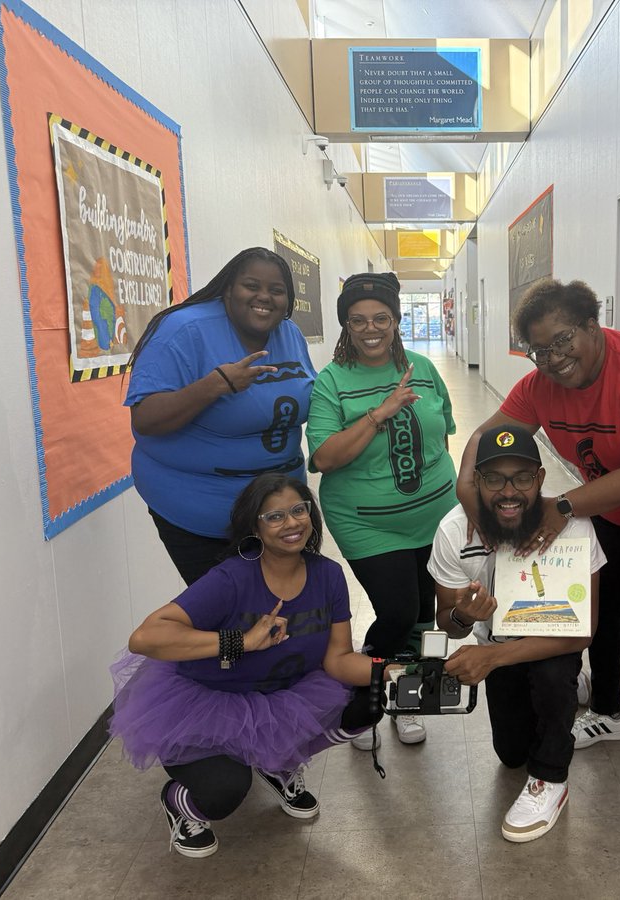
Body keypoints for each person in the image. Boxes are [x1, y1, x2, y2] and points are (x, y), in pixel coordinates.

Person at [457, 278, 620, 814]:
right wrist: (467, 485)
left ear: (593, 326)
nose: (552, 358)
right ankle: (612, 714)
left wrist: (564, 505)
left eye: (562, 340)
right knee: (600, 619)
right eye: (538, 349)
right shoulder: (540, 383)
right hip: (607, 514)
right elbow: (482, 440)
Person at [109, 475, 384, 858]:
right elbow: (146, 638)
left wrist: (392, 670)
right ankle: (179, 804)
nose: (291, 523)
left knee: (369, 702)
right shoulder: (231, 578)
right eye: (274, 516)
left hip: (281, 696)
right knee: (224, 793)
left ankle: (278, 763)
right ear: (254, 526)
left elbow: (337, 660)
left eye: (299, 510)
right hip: (205, 705)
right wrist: (242, 641)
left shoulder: (328, 574)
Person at [430, 425, 604, 842]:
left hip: (551, 644)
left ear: (540, 479)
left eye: (522, 478)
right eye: (494, 479)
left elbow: (582, 635)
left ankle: (551, 779)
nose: (509, 492)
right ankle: (565, 692)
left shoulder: (572, 527)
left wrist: (489, 659)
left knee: (551, 679)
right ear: (476, 482)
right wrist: (464, 615)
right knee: (511, 755)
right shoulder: (454, 532)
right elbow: (446, 624)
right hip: (498, 644)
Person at [307, 272, 457, 747]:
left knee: (424, 615)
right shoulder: (332, 381)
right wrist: (380, 413)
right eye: (358, 320)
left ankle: (406, 697)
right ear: (346, 327)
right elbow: (324, 457)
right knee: (398, 611)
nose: (371, 328)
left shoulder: (423, 368)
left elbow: (443, 433)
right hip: (367, 522)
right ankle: (364, 691)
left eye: (381, 318)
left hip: (436, 516)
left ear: (395, 320)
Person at [125, 247, 316, 585]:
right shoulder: (184, 329)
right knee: (233, 621)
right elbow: (145, 419)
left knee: (287, 611)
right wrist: (216, 385)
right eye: (251, 286)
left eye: (276, 290)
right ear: (229, 289)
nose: (264, 297)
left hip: (281, 514)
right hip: (200, 517)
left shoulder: (290, 334)